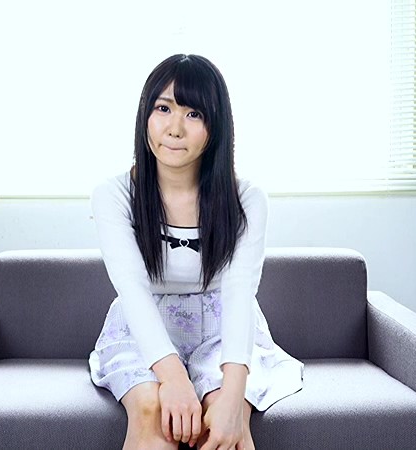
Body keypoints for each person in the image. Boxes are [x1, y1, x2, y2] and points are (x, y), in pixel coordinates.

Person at [89, 54, 303, 450]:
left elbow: (239, 292)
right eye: (163, 108)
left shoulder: (247, 199)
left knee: (225, 420)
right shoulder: (113, 195)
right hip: (143, 325)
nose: (174, 128)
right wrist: (171, 377)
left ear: (215, 126)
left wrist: (233, 399)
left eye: (193, 114)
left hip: (224, 328)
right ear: (145, 115)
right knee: (151, 411)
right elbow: (131, 288)